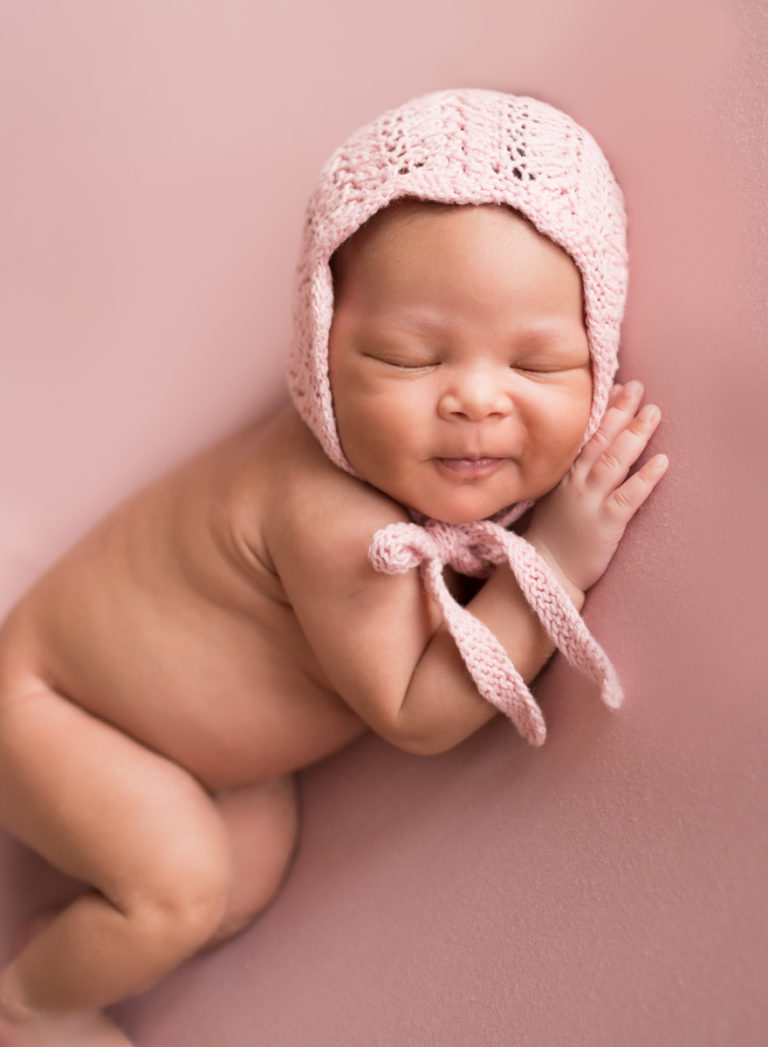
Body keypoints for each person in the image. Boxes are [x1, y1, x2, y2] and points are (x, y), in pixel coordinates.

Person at [0, 88, 668, 1045]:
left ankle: (90, 924)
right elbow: (418, 710)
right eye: (406, 359)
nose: (476, 399)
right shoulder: (329, 514)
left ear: (597, 360)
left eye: (539, 364)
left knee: (242, 872)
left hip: (182, 748)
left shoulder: (396, 481)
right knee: (181, 887)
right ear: (319, 355)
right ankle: (31, 1001)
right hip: (49, 706)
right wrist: (553, 562)